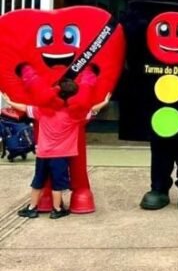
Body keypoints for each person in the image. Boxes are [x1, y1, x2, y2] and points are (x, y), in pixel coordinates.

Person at [4, 90, 109, 219]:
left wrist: (9, 101)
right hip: (61, 155)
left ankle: (32, 208)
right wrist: (104, 102)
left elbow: (25, 108)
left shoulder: (42, 111)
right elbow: (92, 110)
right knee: (57, 184)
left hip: (43, 154)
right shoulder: (73, 115)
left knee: (38, 181)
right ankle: (57, 209)